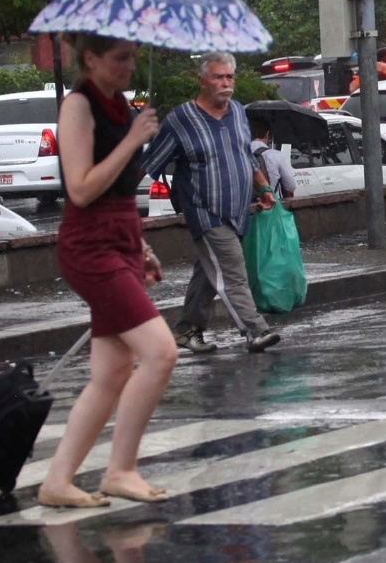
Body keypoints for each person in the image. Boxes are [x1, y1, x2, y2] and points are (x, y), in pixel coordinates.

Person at [38, 33, 178, 510]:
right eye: (119, 58)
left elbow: (119, 191)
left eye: (133, 58)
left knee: (112, 370)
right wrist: (135, 139)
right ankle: (121, 470)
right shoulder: (78, 106)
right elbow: (80, 189)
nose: (128, 67)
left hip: (120, 239)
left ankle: (58, 481)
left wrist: (141, 246)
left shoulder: (122, 105)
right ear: (91, 58)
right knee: (160, 353)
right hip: (88, 245)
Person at [141, 52, 282, 357]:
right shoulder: (181, 119)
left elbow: (245, 154)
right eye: (218, 77)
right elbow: (150, 162)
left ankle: (187, 329)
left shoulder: (237, 113)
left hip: (238, 210)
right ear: (201, 80)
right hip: (204, 210)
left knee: (208, 272)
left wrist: (263, 186)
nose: (225, 83)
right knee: (231, 269)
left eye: (230, 77)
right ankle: (255, 330)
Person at [249, 121, 297, 200]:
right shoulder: (276, 155)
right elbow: (291, 186)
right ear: (267, 134)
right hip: (272, 205)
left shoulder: (241, 154)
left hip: (247, 207)